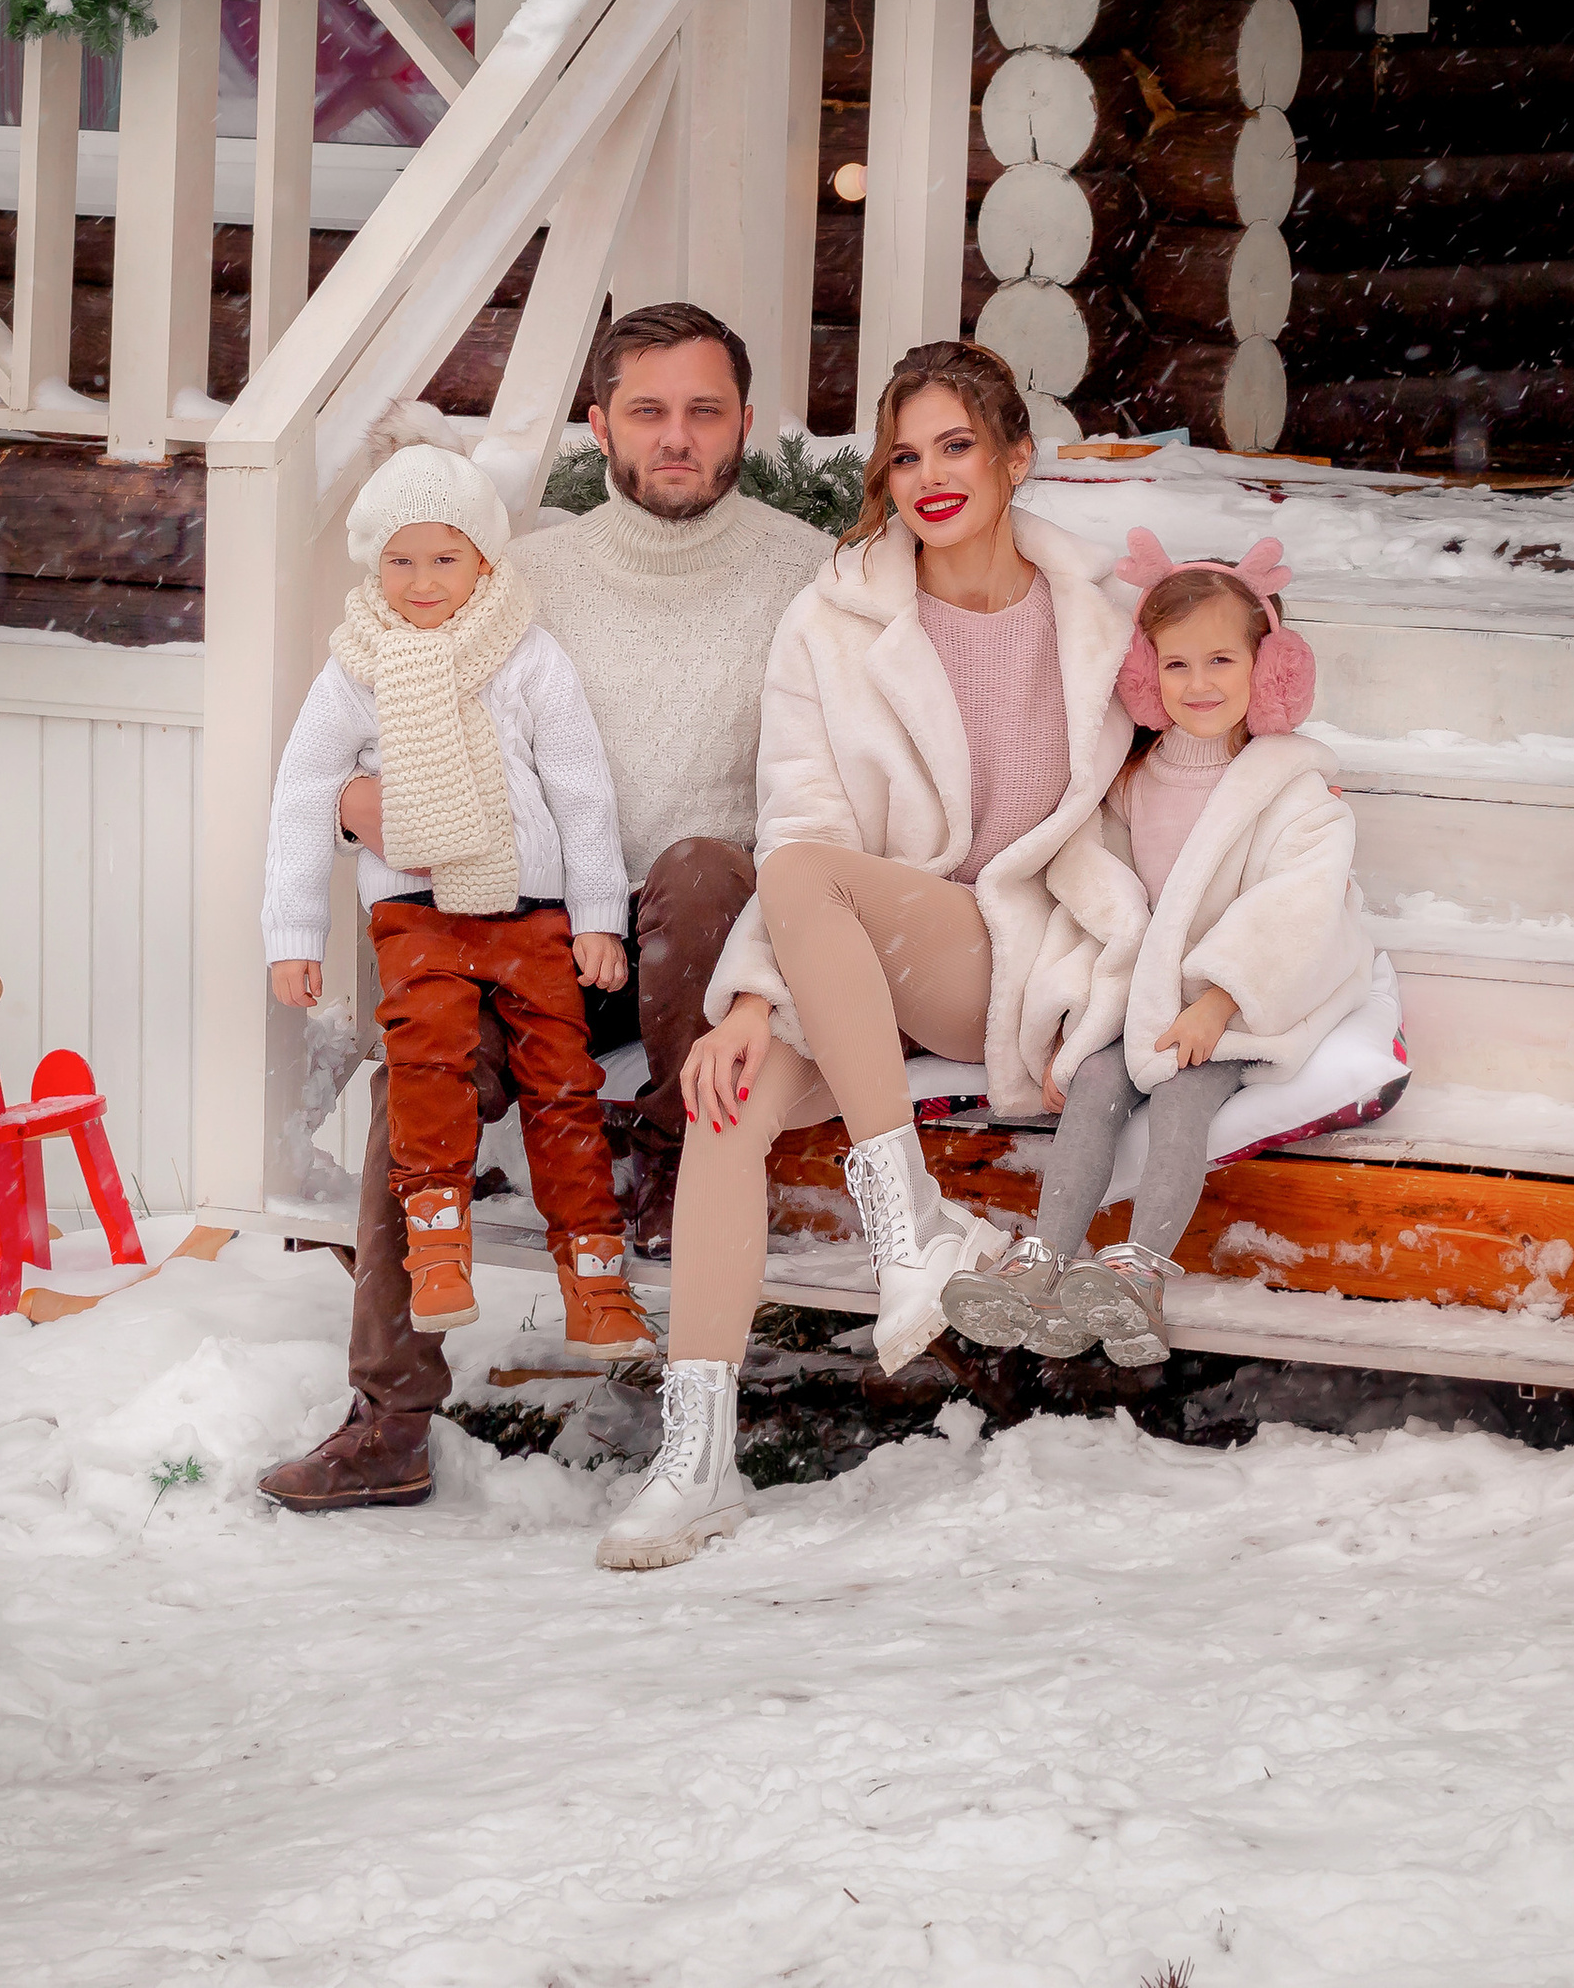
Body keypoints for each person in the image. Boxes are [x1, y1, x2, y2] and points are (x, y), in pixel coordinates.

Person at [257, 304, 832, 1515]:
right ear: (600, 425)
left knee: (694, 863)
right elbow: (399, 712)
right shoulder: (531, 576)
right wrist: (367, 799)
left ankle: (673, 1163)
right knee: (420, 1074)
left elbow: (833, 785)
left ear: (743, 423)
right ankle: (390, 1415)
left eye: (704, 410)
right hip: (531, 934)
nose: (676, 437)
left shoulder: (802, 573)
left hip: (709, 947)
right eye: (648, 411)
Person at [595, 340, 1150, 1572]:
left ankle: (907, 1232)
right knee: (730, 1099)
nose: (929, 477)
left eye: (957, 446)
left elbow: (1141, 836)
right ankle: (698, 1462)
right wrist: (750, 1001)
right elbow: (802, 826)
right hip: (844, 955)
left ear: (1016, 457)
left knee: (804, 882)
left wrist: (1104, 1004)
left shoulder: (1103, 633)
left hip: (994, 956)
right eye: (905, 455)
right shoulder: (834, 618)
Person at [260, 439, 655, 1406]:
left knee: (561, 1082)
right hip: (416, 911)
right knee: (426, 1061)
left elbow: (580, 789)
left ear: (485, 560)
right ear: (372, 565)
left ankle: (592, 1275)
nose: (422, 581)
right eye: (401, 560)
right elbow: (303, 792)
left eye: (445, 558)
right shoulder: (356, 665)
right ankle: (438, 1246)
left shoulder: (526, 655)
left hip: (532, 916)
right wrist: (292, 935)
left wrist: (600, 915)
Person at [942, 535, 1375, 1366]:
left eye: (1221, 659)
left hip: (1241, 998)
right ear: (1144, 677)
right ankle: (1046, 1259)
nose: (1199, 683)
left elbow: (1298, 906)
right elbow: (1097, 900)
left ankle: (1139, 1272)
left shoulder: (1291, 789)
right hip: (1148, 992)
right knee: (1096, 1081)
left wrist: (1219, 1000)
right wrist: (1078, 1013)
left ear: (1271, 670)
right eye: (1174, 665)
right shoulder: (1133, 781)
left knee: (1179, 1096)